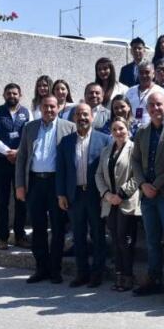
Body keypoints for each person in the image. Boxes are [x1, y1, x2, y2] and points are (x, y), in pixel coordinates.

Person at [15, 94, 76, 284]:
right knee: (38, 227)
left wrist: (67, 189)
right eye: (45, 106)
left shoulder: (69, 127)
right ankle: (41, 268)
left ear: (58, 108)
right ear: (40, 108)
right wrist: (19, 185)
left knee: (58, 227)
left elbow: (71, 161)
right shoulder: (30, 127)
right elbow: (22, 157)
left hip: (56, 183)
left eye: (52, 106)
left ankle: (55, 270)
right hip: (35, 183)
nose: (49, 110)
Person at [130, 91, 164, 301]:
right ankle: (154, 279)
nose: (155, 108)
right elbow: (135, 160)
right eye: (151, 105)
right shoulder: (142, 131)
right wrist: (143, 184)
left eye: (159, 104)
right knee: (152, 240)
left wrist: (155, 184)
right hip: (147, 195)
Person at [56, 103, 112, 288]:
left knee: (98, 234)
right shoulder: (66, 141)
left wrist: (106, 194)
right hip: (75, 195)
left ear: (92, 117)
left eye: (86, 114)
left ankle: (97, 273)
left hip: (96, 195)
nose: (82, 118)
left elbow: (108, 170)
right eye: (79, 114)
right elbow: (61, 170)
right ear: (74, 118)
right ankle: (82, 273)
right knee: (78, 236)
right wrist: (61, 194)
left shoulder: (104, 140)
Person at [96, 116, 139, 292]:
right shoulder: (106, 150)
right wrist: (106, 194)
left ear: (128, 129)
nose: (118, 132)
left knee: (124, 239)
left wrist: (121, 194)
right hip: (109, 201)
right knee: (115, 239)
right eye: (114, 129)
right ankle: (119, 275)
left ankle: (128, 276)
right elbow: (98, 174)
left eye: (121, 128)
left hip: (126, 200)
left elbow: (138, 175)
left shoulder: (134, 149)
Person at [0, 83, 31, 249]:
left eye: (15, 93)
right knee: (2, 201)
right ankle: (3, 238)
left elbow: (30, 135)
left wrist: (18, 152)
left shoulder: (27, 113)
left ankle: (20, 236)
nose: (12, 96)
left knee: (21, 199)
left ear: (20, 95)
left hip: (21, 161)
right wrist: (7, 152)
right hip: (1, 162)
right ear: (4, 95)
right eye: (9, 93)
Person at [125, 62, 164, 131]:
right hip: (131, 129)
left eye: (147, 72)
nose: (144, 75)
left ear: (153, 74)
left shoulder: (160, 91)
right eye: (141, 73)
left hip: (152, 129)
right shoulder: (130, 91)